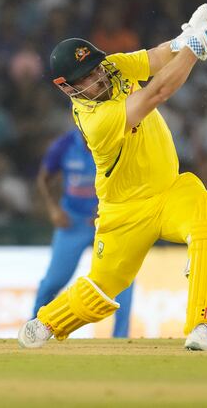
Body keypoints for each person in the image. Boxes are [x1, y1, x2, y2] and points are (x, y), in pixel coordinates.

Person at [18, 4, 207, 351]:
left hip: (169, 191)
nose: (98, 77)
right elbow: (156, 93)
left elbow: (156, 58)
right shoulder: (94, 121)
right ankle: (45, 322)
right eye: (85, 77)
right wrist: (197, 49)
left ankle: (203, 325)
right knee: (102, 287)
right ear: (67, 88)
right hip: (124, 210)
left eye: (96, 67)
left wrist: (186, 39)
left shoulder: (112, 67)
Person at [33, 127, 134, 338]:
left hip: (108, 220)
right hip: (73, 222)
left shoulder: (115, 141)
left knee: (123, 280)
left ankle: (121, 339)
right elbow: (44, 178)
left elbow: (131, 177)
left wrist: (110, 205)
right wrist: (53, 209)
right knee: (54, 281)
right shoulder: (65, 144)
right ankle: (33, 328)